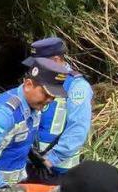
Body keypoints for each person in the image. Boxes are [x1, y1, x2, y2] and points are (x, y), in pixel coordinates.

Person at [0, 57, 71, 187]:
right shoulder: (4, 114)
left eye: (53, 96)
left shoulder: (34, 107)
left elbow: (15, 140)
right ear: (28, 85)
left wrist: (34, 157)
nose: (50, 100)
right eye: (46, 94)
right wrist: (1, 189)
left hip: (14, 183)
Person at [22, 37, 94, 183]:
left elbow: (78, 128)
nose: (35, 68)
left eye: (39, 63)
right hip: (30, 162)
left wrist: (52, 158)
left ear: (55, 60)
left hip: (57, 168)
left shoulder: (76, 86)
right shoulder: (39, 78)